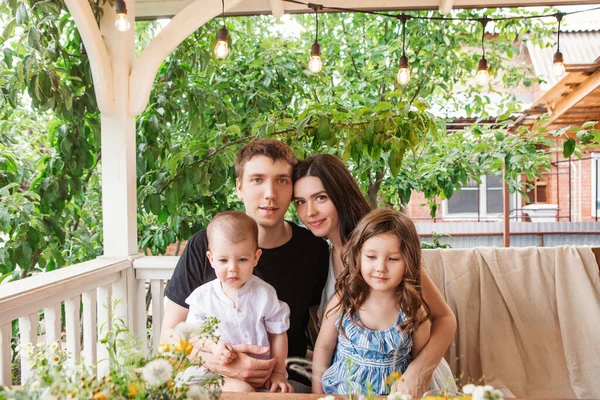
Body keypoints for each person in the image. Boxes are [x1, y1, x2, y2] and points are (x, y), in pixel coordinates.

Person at [161, 139, 329, 391]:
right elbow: (168, 339)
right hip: (214, 376)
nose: (270, 193)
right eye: (257, 179)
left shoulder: (313, 249)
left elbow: (323, 330)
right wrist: (222, 363)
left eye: (282, 180)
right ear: (239, 187)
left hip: (282, 381)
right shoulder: (204, 244)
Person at [293, 154, 456, 395]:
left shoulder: (381, 247)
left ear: (340, 194)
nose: (310, 212)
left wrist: (418, 372)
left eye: (321, 198)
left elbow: (445, 319)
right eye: (300, 202)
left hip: (409, 378)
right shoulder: (319, 254)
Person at [312, 208, 433, 395]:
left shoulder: (413, 309)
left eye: (393, 259)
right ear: (358, 256)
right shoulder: (344, 299)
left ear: (409, 262)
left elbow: (421, 366)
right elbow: (324, 348)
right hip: (341, 393)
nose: (380, 268)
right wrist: (317, 395)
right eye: (371, 257)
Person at [183, 211, 293, 392]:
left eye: (242, 259)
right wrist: (214, 346)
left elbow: (278, 333)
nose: (233, 268)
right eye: (223, 260)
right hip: (213, 372)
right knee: (242, 391)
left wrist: (279, 373)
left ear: (256, 257)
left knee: (278, 393)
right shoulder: (203, 297)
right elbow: (193, 334)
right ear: (211, 259)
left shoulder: (265, 294)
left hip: (260, 373)